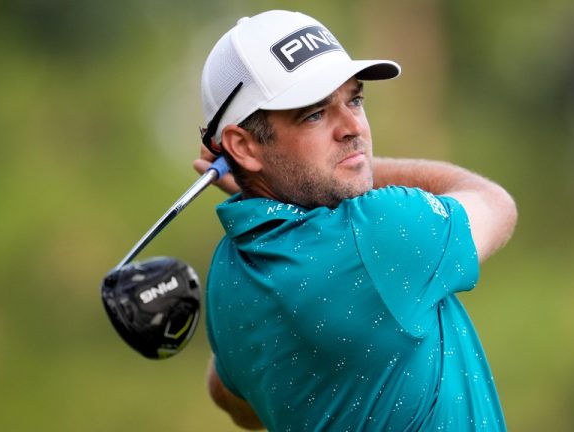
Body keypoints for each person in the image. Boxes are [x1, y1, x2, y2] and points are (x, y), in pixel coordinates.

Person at [192, 10, 517, 431]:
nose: (353, 128)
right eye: (314, 114)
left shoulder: (226, 279)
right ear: (243, 146)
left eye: (355, 100)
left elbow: (230, 398)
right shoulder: (378, 232)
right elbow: (495, 203)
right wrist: (356, 166)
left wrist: (269, 179)